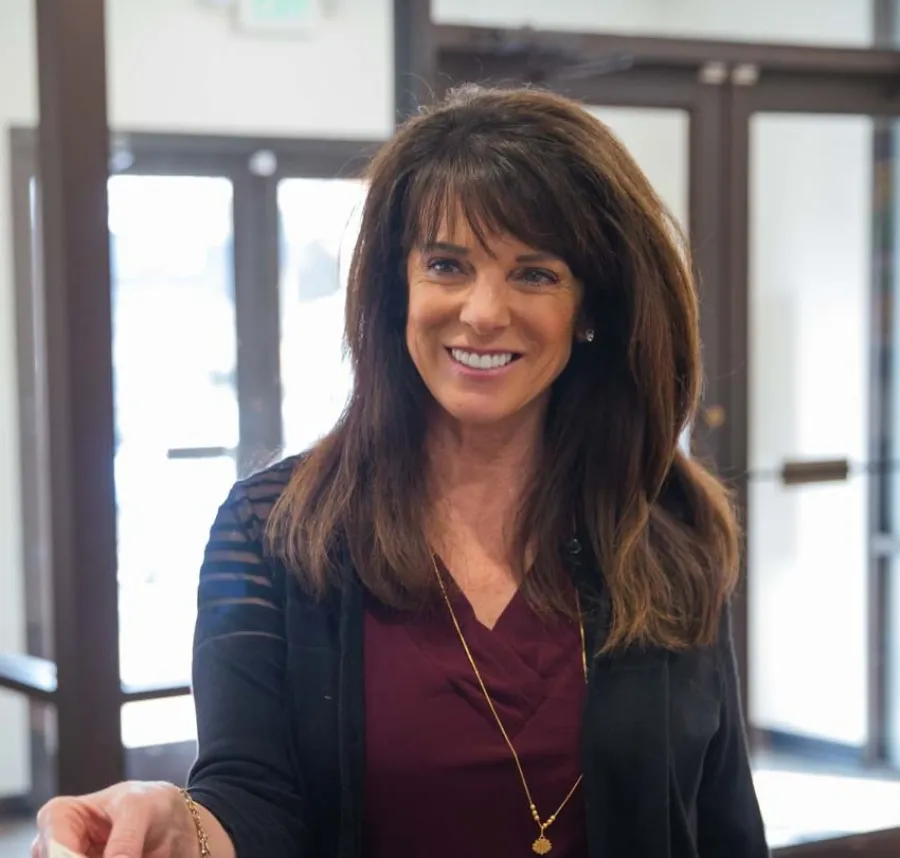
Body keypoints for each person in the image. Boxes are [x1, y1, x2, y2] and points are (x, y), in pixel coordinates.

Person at [34, 84, 769, 858]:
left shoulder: (664, 527)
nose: (483, 312)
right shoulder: (276, 529)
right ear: (397, 288)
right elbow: (250, 799)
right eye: (448, 265)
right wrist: (174, 825)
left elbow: (723, 821)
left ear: (592, 309)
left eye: (535, 273)